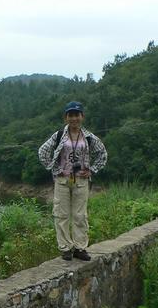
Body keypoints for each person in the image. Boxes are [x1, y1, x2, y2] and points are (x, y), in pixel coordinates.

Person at [38, 101, 107, 261]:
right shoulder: (59, 135)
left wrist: (91, 169)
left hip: (82, 181)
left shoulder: (89, 137)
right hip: (62, 180)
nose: (74, 118)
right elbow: (43, 152)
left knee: (80, 215)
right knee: (61, 215)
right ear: (66, 117)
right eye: (71, 115)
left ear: (82, 117)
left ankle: (80, 248)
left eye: (77, 115)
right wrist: (54, 168)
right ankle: (65, 248)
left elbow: (102, 154)